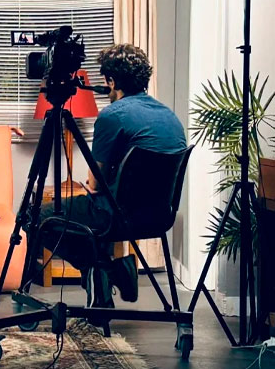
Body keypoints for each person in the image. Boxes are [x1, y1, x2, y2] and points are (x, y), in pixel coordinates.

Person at [40, 44, 186, 309]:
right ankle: (111, 271)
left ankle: (106, 270)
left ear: (111, 81)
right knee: (96, 211)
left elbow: (95, 183)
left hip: (117, 218)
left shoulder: (112, 115)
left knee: (36, 218)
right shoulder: (170, 116)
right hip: (159, 217)